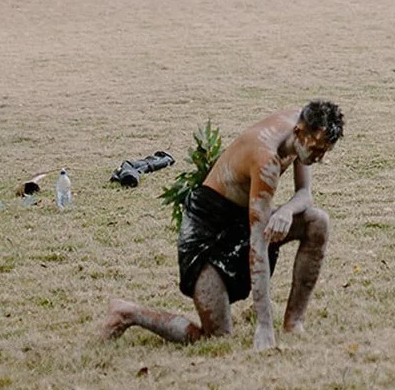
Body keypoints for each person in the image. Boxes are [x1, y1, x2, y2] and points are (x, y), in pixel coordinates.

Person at [101, 99, 343, 350]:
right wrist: (264, 325)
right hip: (208, 231)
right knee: (217, 337)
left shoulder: (304, 124)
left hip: (245, 216)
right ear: (299, 132)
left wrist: (286, 211)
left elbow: (305, 193)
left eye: (325, 151)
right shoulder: (267, 159)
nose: (320, 158)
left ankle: (294, 322)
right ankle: (129, 313)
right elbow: (258, 242)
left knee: (318, 222)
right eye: (316, 150)